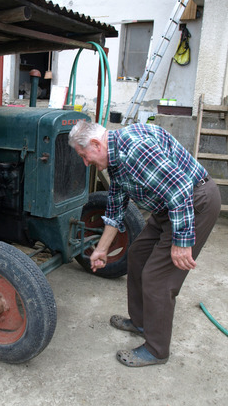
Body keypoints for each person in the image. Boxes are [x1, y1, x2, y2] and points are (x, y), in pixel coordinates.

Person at [68, 120, 221, 367]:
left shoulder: (135, 152)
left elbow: (180, 187)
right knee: (138, 255)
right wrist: (101, 249)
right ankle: (140, 322)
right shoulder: (115, 158)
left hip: (194, 204)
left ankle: (156, 349)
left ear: (96, 144)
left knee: (158, 277)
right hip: (167, 207)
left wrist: (182, 241)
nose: (86, 163)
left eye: (84, 156)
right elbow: (116, 208)